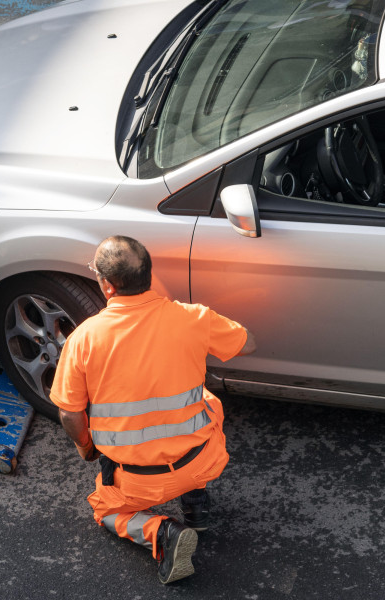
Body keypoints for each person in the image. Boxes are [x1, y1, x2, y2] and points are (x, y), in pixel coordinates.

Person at [50, 235, 257, 585]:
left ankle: (163, 534)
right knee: (205, 400)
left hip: (136, 482)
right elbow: (248, 343)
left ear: (107, 285)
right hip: (198, 462)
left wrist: (86, 448)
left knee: (104, 509)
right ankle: (196, 504)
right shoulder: (192, 318)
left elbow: (70, 413)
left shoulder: (84, 338)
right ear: (148, 274)